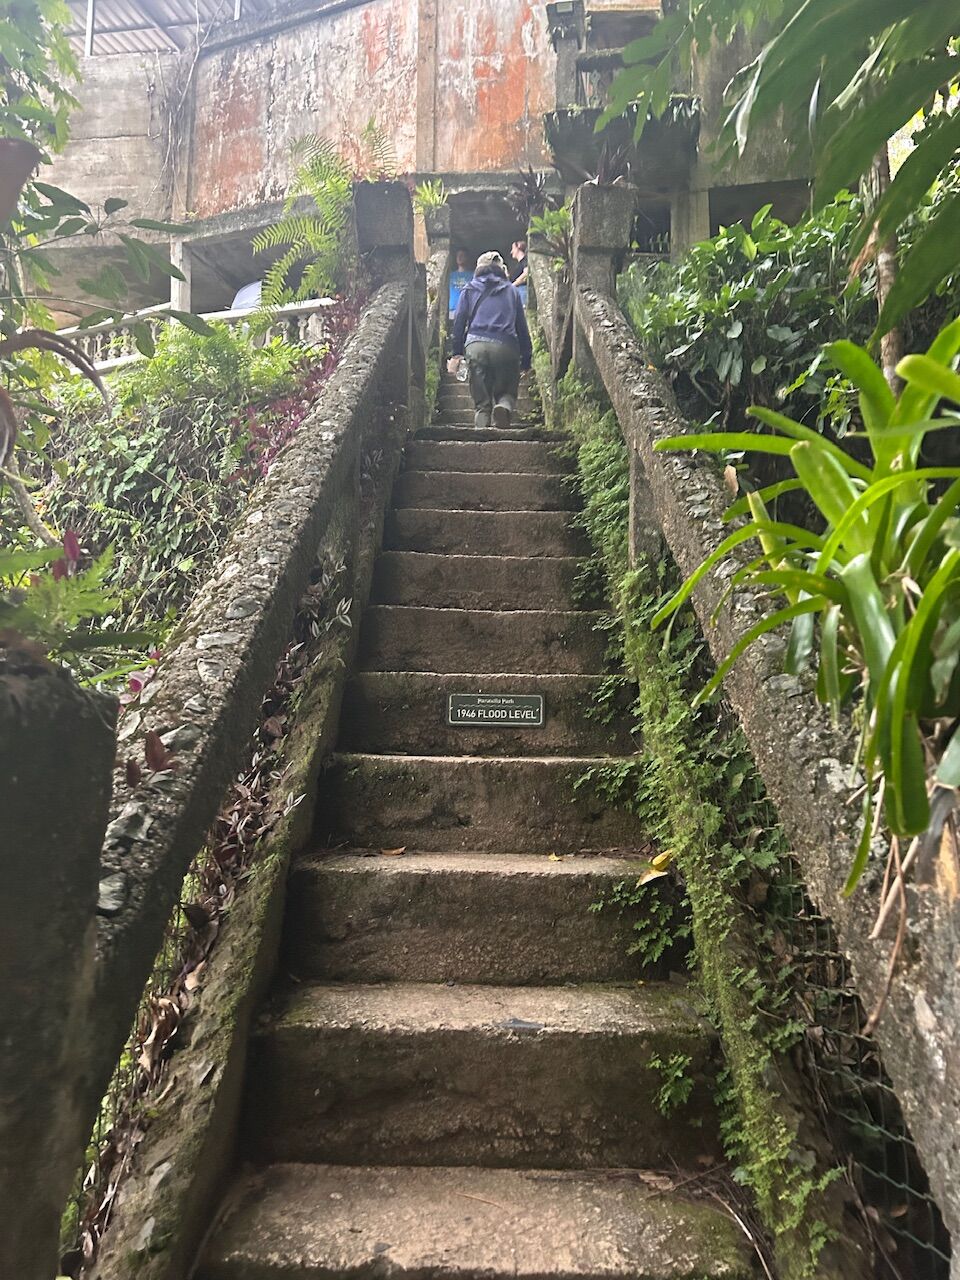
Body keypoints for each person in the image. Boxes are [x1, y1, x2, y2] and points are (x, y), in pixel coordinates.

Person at [448, 250, 532, 430]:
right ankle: (503, 405)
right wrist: (526, 360)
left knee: (481, 402)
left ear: (478, 269)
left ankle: (481, 430)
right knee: (507, 391)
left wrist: (456, 353)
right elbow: (522, 328)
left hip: (476, 345)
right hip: (506, 346)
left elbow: (459, 322)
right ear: (501, 269)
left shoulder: (469, 289)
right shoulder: (512, 290)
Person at [448, 248, 472, 321]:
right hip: (452, 309)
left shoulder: (473, 275)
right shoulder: (450, 275)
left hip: (467, 310)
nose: (459, 257)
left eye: (462, 255)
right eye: (457, 255)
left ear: (467, 258)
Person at [510, 239, 528, 305]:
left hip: (522, 290)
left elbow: (526, 273)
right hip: (519, 291)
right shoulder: (519, 263)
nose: (511, 252)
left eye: (513, 249)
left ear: (518, 247)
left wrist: (513, 285)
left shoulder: (525, 260)